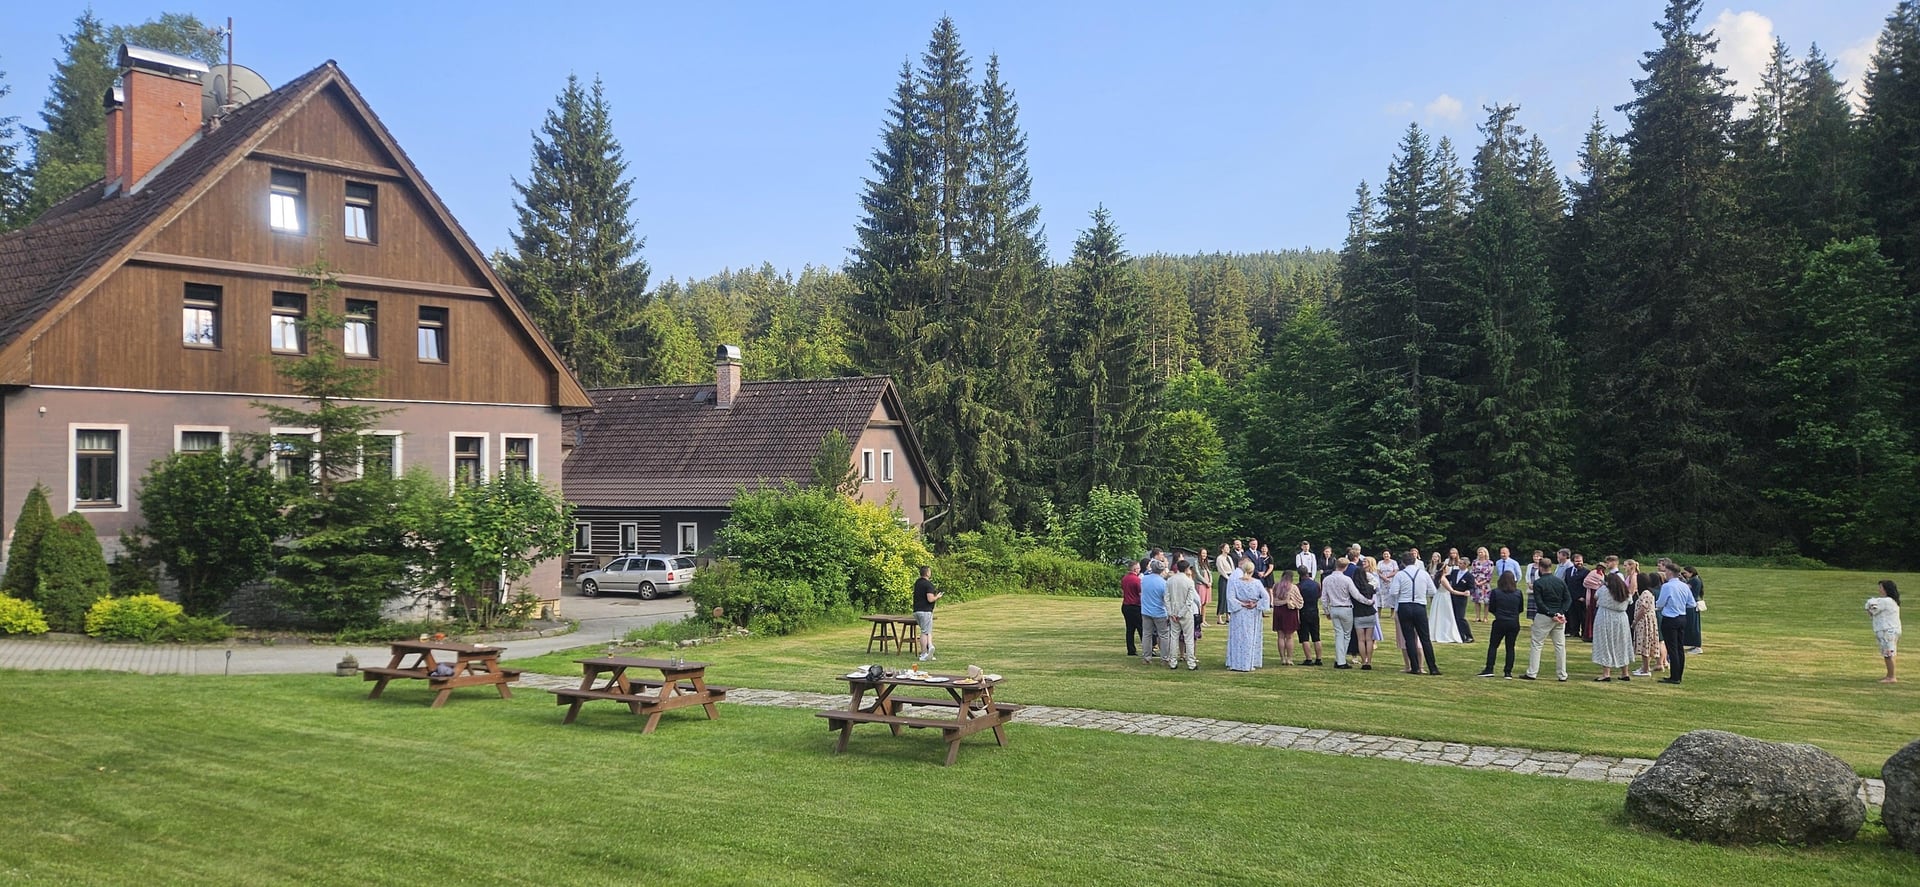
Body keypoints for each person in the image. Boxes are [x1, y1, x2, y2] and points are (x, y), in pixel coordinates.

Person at [1522, 554, 1569, 682]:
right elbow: (1567, 599)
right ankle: (1562, 674)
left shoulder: (1538, 583)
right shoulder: (1560, 582)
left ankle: (1532, 672)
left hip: (1544, 616)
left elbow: (1539, 602)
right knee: (1560, 646)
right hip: (1560, 616)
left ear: (1541, 568)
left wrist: (1550, 613)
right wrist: (1560, 612)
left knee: (1537, 644)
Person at [1393, 551, 1441, 674]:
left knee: (1409, 638)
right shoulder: (1423, 574)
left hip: (1404, 605)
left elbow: (1393, 592)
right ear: (1415, 561)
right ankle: (1433, 668)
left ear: (1403, 563)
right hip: (1419, 606)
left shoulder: (1400, 575)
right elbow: (1433, 591)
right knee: (1425, 638)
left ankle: (1414, 667)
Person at [1224, 558, 1271, 671]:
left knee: (1238, 637)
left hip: (1241, 612)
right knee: (1249, 637)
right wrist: (1255, 604)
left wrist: (1242, 604)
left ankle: (1239, 662)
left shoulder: (1235, 582)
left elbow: (1230, 597)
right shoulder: (1257, 583)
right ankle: (1246, 662)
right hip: (1249, 612)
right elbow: (1266, 597)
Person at [1476, 571, 1525, 678]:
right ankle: (1508, 672)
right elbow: (1520, 608)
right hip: (1513, 622)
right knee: (1510, 647)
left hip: (1500, 621)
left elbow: (1492, 607)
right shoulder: (1518, 593)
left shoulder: (1496, 592)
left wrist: (1498, 614)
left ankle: (1489, 668)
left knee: (1493, 645)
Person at [1655, 564, 1695, 685]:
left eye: (1666, 571)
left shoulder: (1667, 586)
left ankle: (1674, 676)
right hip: (1682, 617)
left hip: (1670, 618)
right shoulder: (1684, 586)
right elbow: (1691, 603)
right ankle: (1678, 675)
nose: (1665, 574)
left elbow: (1660, 603)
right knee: (1679, 648)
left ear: (1670, 572)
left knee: (1672, 648)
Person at [1590, 572, 1634, 681]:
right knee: (1622, 643)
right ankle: (1625, 672)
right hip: (1621, 618)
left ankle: (1606, 673)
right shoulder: (1625, 591)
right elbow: (1630, 601)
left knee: (1605, 643)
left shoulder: (1604, 590)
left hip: (1605, 616)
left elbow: (1595, 596)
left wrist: (1601, 586)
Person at [1321, 557, 1358, 668]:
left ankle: (1339, 659)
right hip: (1345, 608)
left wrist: (1326, 611)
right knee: (1346, 635)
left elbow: (1324, 598)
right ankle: (1341, 660)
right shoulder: (1347, 579)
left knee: (1338, 634)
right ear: (1345, 567)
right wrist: (1368, 601)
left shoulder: (1327, 579)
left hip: (1334, 608)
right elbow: (1355, 594)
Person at [1164, 559, 1199, 670]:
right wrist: (1180, 613)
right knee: (1188, 638)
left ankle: (1173, 662)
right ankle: (1191, 663)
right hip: (1185, 614)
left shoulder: (1170, 580)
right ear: (1187, 568)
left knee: (1174, 637)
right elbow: (1189, 601)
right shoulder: (1189, 581)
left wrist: (1171, 613)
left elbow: (1166, 598)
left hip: (1174, 612)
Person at [1868, 580, 1902, 683]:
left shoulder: (1886, 601)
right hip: (1891, 629)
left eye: (1881, 587)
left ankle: (1891, 677)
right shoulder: (1892, 601)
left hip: (1887, 630)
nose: (1879, 590)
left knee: (1888, 653)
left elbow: (1872, 610)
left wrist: (1869, 605)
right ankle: (1889, 675)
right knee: (1889, 652)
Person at [1351, 557, 1382, 670]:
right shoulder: (1369, 587)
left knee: (1361, 640)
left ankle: (1363, 661)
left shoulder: (1353, 588)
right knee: (1369, 639)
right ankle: (1369, 660)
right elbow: (1376, 586)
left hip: (1358, 614)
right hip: (1370, 613)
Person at [1139, 559, 1169, 665]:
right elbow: (1165, 599)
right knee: (1164, 635)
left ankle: (1147, 657)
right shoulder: (1163, 583)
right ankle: (1164, 658)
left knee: (1146, 634)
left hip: (1146, 611)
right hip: (1160, 612)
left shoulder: (1144, 579)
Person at [1630, 572, 1661, 677]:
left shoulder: (1645, 594)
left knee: (1645, 643)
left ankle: (1646, 669)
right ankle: (1644, 667)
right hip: (1646, 620)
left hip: (1645, 622)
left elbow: (1643, 609)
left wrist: (1635, 621)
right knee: (1645, 643)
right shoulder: (1646, 593)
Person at [1441, 551, 1474, 642]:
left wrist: (1468, 591)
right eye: (1459, 563)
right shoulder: (1455, 572)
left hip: (1461, 598)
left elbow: (1472, 588)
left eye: (1461, 563)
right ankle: (1459, 635)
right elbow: (1447, 579)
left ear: (1466, 565)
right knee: (1453, 616)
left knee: (1460, 617)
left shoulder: (1469, 576)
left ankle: (1468, 635)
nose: (1459, 565)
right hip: (1452, 597)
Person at [1273, 570, 1303, 665]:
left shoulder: (1276, 586)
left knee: (1280, 636)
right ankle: (1289, 659)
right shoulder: (1293, 587)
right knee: (1289, 637)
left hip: (1278, 611)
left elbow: (1273, 599)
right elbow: (1300, 601)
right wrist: (1293, 603)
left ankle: (1282, 658)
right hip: (1289, 612)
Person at [913, 565, 943, 662]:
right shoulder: (928, 585)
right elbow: (930, 599)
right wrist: (937, 597)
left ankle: (930, 647)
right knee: (924, 632)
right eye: (929, 571)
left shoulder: (917, 583)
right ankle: (923, 654)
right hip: (925, 611)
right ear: (927, 573)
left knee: (927, 630)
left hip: (917, 610)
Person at [1297, 569, 1323, 666]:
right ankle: (1319, 658)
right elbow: (1319, 595)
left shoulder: (1299, 586)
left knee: (1304, 637)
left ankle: (1308, 658)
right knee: (1316, 636)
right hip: (1314, 611)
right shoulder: (1316, 585)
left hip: (1303, 611)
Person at [1120, 560, 1143, 657]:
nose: (1139, 570)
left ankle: (1131, 649)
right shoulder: (1137, 580)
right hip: (1135, 606)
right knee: (1141, 629)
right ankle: (1147, 649)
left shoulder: (1124, 578)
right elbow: (1141, 593)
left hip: (1126, 605)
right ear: (1135, 569)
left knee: (1130, 629)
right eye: (1138, 568)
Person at [1682, 565, 1704, 654]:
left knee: (1693, 626)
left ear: (1691, 573)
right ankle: (1694, 644)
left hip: (1691, 606)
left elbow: (1685, 588)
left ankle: (1697, 646)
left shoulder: (1694, 580)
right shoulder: (1696, 579)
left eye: (1686, 573)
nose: (1685, 575)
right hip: (1693, 605)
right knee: (1693, 625)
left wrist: (1682, 580)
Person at [1470, 547, 1495, 622]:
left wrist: (1482, 582)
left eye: (1481, 552)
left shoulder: (1490, 563)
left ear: (1485, 553)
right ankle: (1477, 617)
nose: (1480, 554)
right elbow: (1472, 572)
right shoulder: (1475, 562)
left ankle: (1485, 617)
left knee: (1486, 601)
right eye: (1479, 552)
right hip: (1476, 583)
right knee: (1477, 601)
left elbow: (1490, 574)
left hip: (1485, 585)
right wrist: (1476, 581)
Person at [1194, 548, 1214, 643]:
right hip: (1201, 584)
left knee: (1205, 603)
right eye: (1203, 553)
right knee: (1200, 603)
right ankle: (1199, 621)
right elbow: (1198, 574)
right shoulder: (1196, 563)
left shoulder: (1206, 563)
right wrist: (1206, 582)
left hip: (1207, 585)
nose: (1204, 555)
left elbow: (1210, 573)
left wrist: (1210, 582)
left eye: (1205, 553)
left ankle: (1204, 620)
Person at [1215, 543, 1236, 625]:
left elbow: (1233, 568)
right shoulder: (1220, 558)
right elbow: (1220, 569)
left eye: (1228, 548)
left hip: (1231, 577)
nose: (1228, 549)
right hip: (1224, 578)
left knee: (1229, 597)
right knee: (1222, 597)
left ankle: (1228, 616)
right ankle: (1219, 617)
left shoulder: (1229, 558)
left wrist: (1233, 577)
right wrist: (1227, 578)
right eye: (1226, 548)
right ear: (1222, 549)